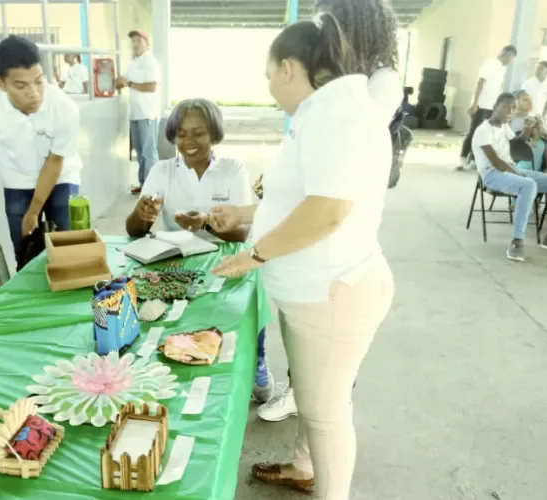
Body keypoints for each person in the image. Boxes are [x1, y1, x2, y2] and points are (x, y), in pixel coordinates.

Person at [209, 12, 395, 499]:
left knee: (326, 413)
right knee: (316, 399)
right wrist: (249, 213)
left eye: (269, 75)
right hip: (315, 289)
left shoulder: (338, 113)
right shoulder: (326, 110)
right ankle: (303, 467)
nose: (270, 87)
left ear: (288, 67)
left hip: (332, 292)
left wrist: (256, 253)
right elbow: (301, 198)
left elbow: (328, 210)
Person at [257, 0, 403, 426]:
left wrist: (258, 252)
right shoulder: (335, 92)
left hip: (335, 267)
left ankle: (312, 411)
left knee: (328, 400)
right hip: (310, 262)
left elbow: (332, 188)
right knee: (317, 387)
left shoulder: (363, 90)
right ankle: (306, 420)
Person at [124, 99, 275, 402]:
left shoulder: (232, 170)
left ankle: (258, 359)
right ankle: (182, 359)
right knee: (167, 315)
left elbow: (241, 232)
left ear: (214, 134)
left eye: (199, 133)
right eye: (181, 134)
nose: (188, 142)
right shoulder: (162, 170)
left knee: (249, 303)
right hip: (175, 263)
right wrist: (143, 215)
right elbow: (133, 231)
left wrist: (205, 222)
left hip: (226, 258)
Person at [0, 35, 84, 268]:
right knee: (25, 254)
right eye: (21, 86)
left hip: (61, 176)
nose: (34, 93)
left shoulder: (64, 108)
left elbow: (55, 161)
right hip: (17, 181)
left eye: (38, 81)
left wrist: (34, 212)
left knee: (69, 250)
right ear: (1, 84)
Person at [471, 92, 547, 261]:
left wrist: (527, 130)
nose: (510, 111)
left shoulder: (503, 126)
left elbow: (515, 144)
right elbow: (496, 162)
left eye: (513, 108)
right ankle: (517, 241)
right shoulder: (483, 130)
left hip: (512, 170)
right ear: (495, 106)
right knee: (528, 184)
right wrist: (519, 174)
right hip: (492, 174)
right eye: (506, 107)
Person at [115, 30, 161, 195]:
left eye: (138, 41)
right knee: (140, 152)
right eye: (133, 42)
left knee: (149, 152)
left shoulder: (150, 62)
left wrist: (129, 84)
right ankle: (144, 184)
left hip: (148, 113)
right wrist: (118, 82)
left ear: (147, 44)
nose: (135, 44)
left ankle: (153, 188)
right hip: (135, 114)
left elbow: (152, 86)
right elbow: (123, 82)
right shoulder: (132, 63)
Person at [459, 45, 518, 170]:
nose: (510, 60)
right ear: (503, 52)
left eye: (512, 58)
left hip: (492, 107)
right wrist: (474, 103)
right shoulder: (491, 63)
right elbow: (480, 82)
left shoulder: (501, 69)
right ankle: (462, 158)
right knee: (474, 131)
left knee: (487, 134)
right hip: (481, 105)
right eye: (510, 56)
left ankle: (475, 160)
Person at [510, 90, 547, 173]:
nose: (530, 102)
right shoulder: (509, 120)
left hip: (538, 164)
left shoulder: (537, 118)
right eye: (525, 100)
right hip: (517, 163)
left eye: (530, 99)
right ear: (516, 103)